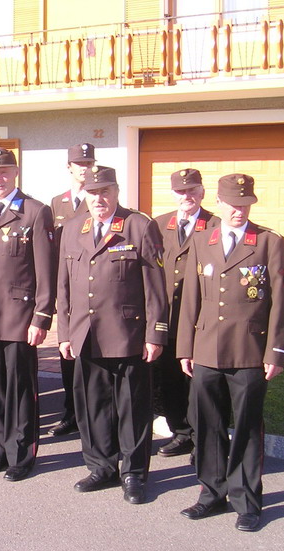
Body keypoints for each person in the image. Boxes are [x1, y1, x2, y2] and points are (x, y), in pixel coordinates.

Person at [177, 173, 284, 532]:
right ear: (219, 203)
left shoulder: (269, 242)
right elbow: (191, 298)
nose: (239, 210)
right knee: (206, 425)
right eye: (232, 204)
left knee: (247, 428)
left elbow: (281, 303)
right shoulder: (203, 240)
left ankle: (246, 501)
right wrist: (185, 348)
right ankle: (211, 493)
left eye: (245, 204)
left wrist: (275, 352)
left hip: (249, 351)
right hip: (206, 349)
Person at [56, 166, 168, 504]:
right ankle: (101, 467)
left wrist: (155, 334)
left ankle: (134, 473)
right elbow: (63, 285)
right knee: (93, 406)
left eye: (105, 191)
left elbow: (155, 286)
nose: (99, 199)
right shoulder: (73, 228)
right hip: (86, 333)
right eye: (93, 193)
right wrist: (64, 332)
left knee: (132, 408)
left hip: (127, 333)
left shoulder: (138, 226)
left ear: (116, 192)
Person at [0, 147, 56, 482]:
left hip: (19, 315)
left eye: (4, 171)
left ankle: (21, 455)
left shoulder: (35, 211)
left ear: (15, 173)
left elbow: (45, 270)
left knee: (20, 388)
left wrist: (41, 317)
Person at [153, 168, 219, 458]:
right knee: (170, 378)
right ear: (173, 194)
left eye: (192, 190)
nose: (186, 196)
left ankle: (201, 437)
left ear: (202, 192)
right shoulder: (158, 225)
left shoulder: (216, 226)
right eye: (181, 191)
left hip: (201, 318)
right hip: (168, 317)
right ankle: (180, 432)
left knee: (199, 381)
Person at [48, 142, 95, 437]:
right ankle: (71, 412)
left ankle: (93, 412)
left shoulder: (100, 197)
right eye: (80, 164)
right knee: (67, 350)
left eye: (89, 164)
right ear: (69, 168)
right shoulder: (57, 203)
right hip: (66, 286)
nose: (85, 169)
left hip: (92, 286)